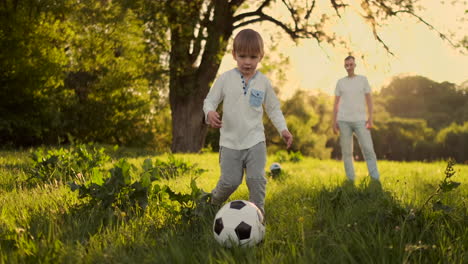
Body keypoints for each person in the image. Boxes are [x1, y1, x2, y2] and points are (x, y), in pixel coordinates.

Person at [203, 29, 293, 216]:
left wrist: (283, 129)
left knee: (256, 180)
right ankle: (210, 205)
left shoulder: (264, 82)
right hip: (230, 143)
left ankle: (258, 216)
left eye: (253, 56)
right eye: (242, 56)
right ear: (234, 54)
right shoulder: (226, 79)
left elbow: (273, 109)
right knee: (230, 181)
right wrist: (210, 112)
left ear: (261, 56)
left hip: (255, 141)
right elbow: (209, 100)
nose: (247, 62)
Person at [332, 55, 380, 183]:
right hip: (343, 121)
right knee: (347, 153)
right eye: (346, 65)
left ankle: (375, 178)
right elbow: (335, 103)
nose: (349, 67)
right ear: (344, 66)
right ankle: (350, 179)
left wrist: (370, 118)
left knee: (368, 149)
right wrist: (333, 121)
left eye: (351, 64)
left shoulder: (363, 80)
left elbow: (369, 100)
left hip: (360, 120)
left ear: (355, 65)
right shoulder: (340, 82)